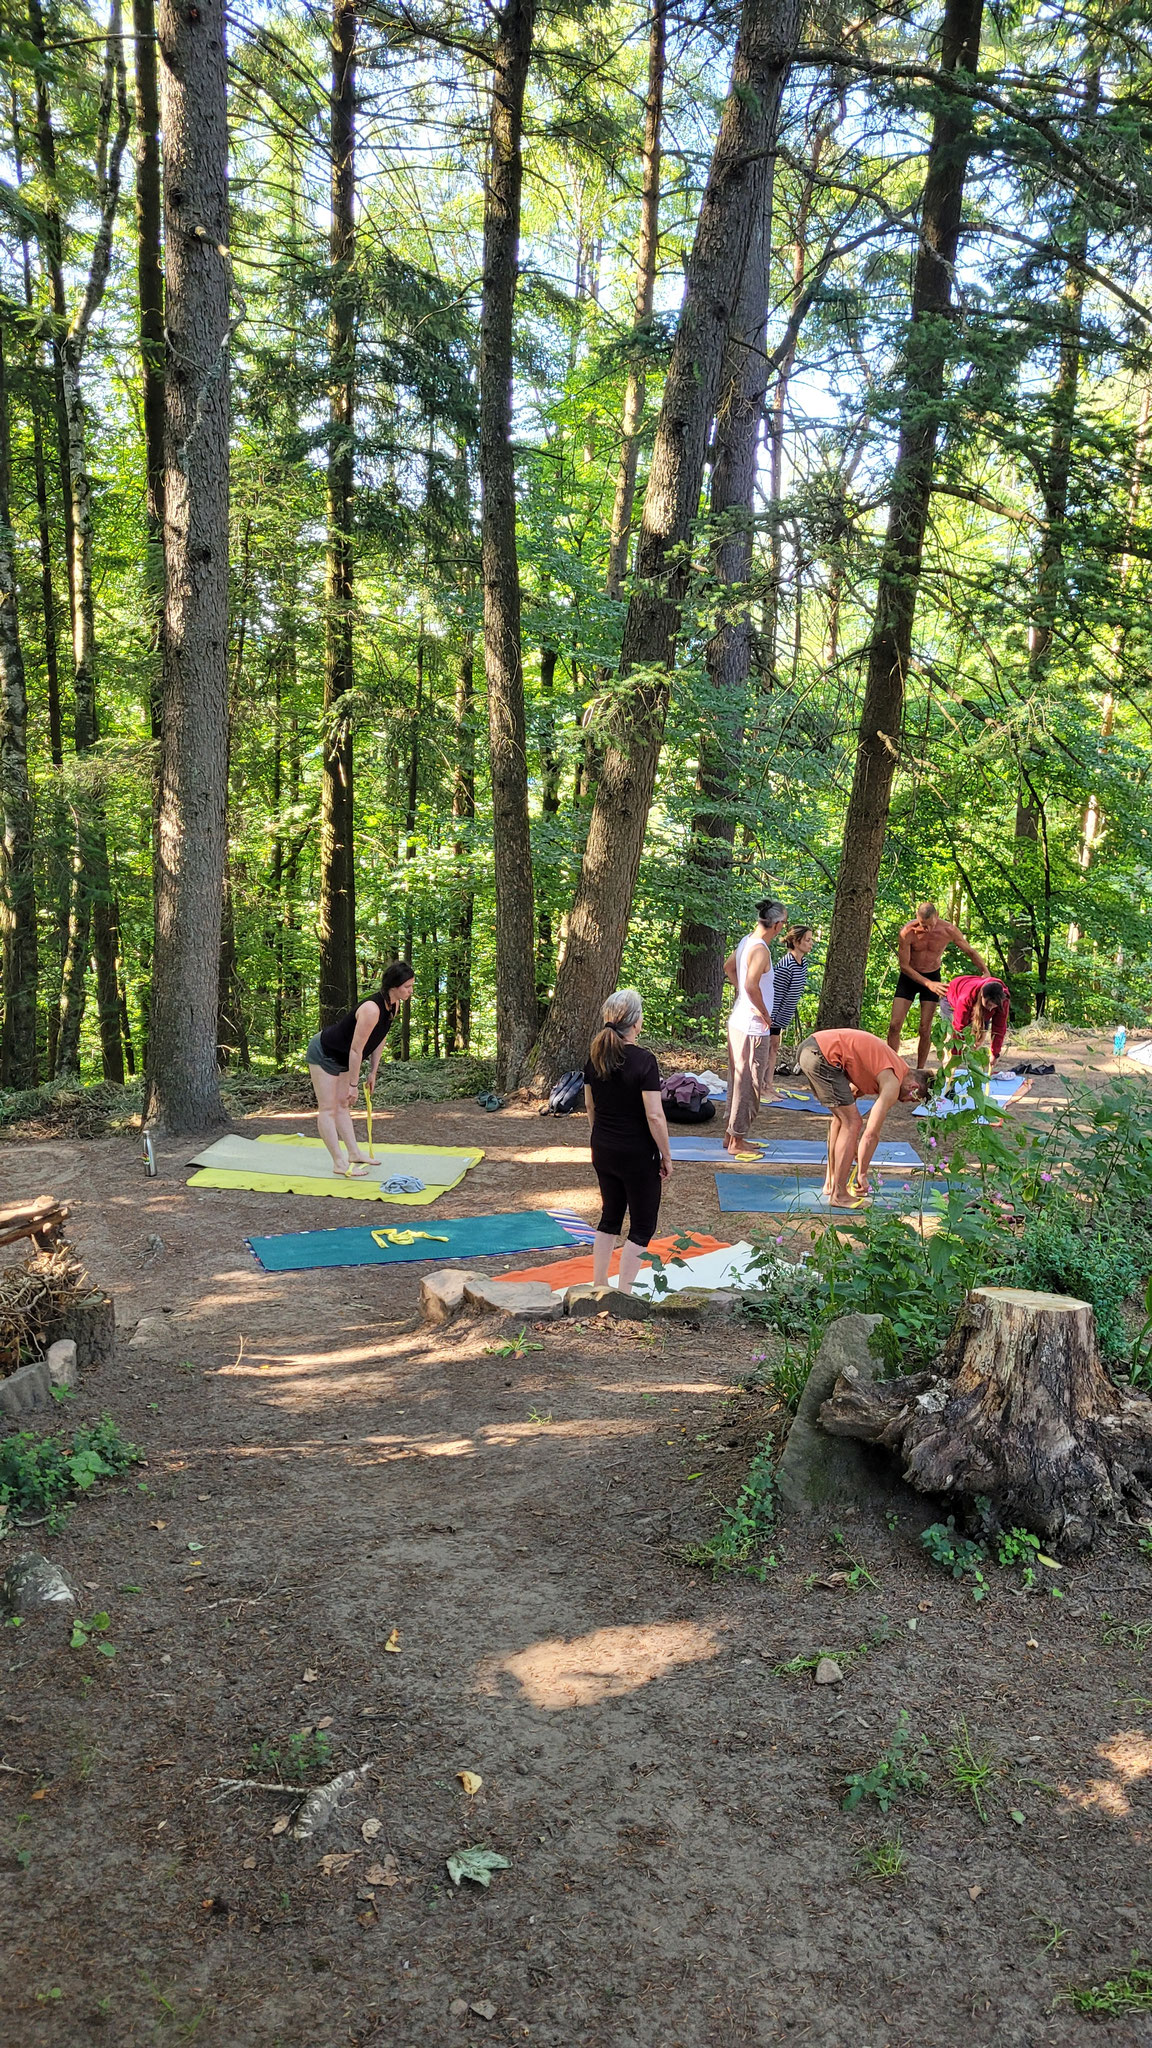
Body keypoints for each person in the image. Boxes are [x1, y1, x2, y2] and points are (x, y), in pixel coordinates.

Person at [583, 988, 672, 1296]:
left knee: (610, 1216)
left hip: (603, 1149)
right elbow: (655, 1116)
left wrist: (602, 1138)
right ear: (636, 1023)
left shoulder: (595, 1057)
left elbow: (591, 1107)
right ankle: (624, 1294)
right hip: (636, 1155)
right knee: (643, 1225)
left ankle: (598, 1284)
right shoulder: (644, 1061)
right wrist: (666, 1155)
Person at [796, 1026, 931, 1205]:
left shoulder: (887, 1066)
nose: (906, 1103)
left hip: (810, 1047)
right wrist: (862, 1173)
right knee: (853, 1122)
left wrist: (853, 1149)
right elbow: (871, 1134)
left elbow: (847, 1100)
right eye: (913, 1100)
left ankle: (831, 1183)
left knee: (842, 1118)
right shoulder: (892, 1082)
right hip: (821, 1054)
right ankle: (839, 1194)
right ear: (913, 1088)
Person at [305, 961, 415, 1175]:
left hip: (345, 1057)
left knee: (343, 1105)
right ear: (394, 985)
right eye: (407, 987)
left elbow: (379, 1038)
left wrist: (373, 1071)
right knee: (329, 1108)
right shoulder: (371, 1009)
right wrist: (354, 1085)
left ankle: (354, 1153)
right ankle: (339, 1163)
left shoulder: (393, 1004)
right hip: (324, 1052)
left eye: (411, 986)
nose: (410, 991)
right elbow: (356, 1050)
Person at [887, 901, 988, 1069]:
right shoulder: (907, 932)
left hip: (933, 975)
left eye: (929, 925)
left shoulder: (949, 930)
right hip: (910, 977)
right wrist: (928, 984)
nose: (925, 929)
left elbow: (969, 951)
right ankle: (891, 1066)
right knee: (894, 1024)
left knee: (924, 1028)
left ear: (937, 916)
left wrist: (985, 972)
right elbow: (904, 966)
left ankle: (920, 1069)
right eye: (921, 924)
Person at [723, 897, 788, 1155]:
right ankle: (737, 1141)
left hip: (739, 1022)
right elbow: (751, 984)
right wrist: (764, 1014)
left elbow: (729, 967)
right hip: (751, 1028)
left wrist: (743, 997)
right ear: (778, 925)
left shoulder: (746, 941)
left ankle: (730, 1136)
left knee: (737, 1080)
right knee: (749, 1084)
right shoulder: (761, 950)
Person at [765, 925, 815, 1092]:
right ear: (795, 941)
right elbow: (776, 994)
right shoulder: (786, 966)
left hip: (783, 1016)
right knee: (769, 1048)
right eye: (807, 940)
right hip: (773, 1016)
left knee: (773, 1048)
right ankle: (764, 1085)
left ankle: (768, 1085)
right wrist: (772, 1019)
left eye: (811, 940)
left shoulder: (803, 963)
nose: (811, 943)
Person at [941, 973, 1011, 1063]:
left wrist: (995, 1053)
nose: (990, 1009)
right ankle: (948, 1064)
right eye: (989, 1005)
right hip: (952, 997)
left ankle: (972, 1065)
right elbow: (959, 1028)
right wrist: (956, 1055)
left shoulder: (1003, 999)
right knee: (951, 1038)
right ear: (982, 995)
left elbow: (999, 1027)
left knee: (978, 1039)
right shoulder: (966, 998)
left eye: (994, 1006)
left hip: (978, 1005)